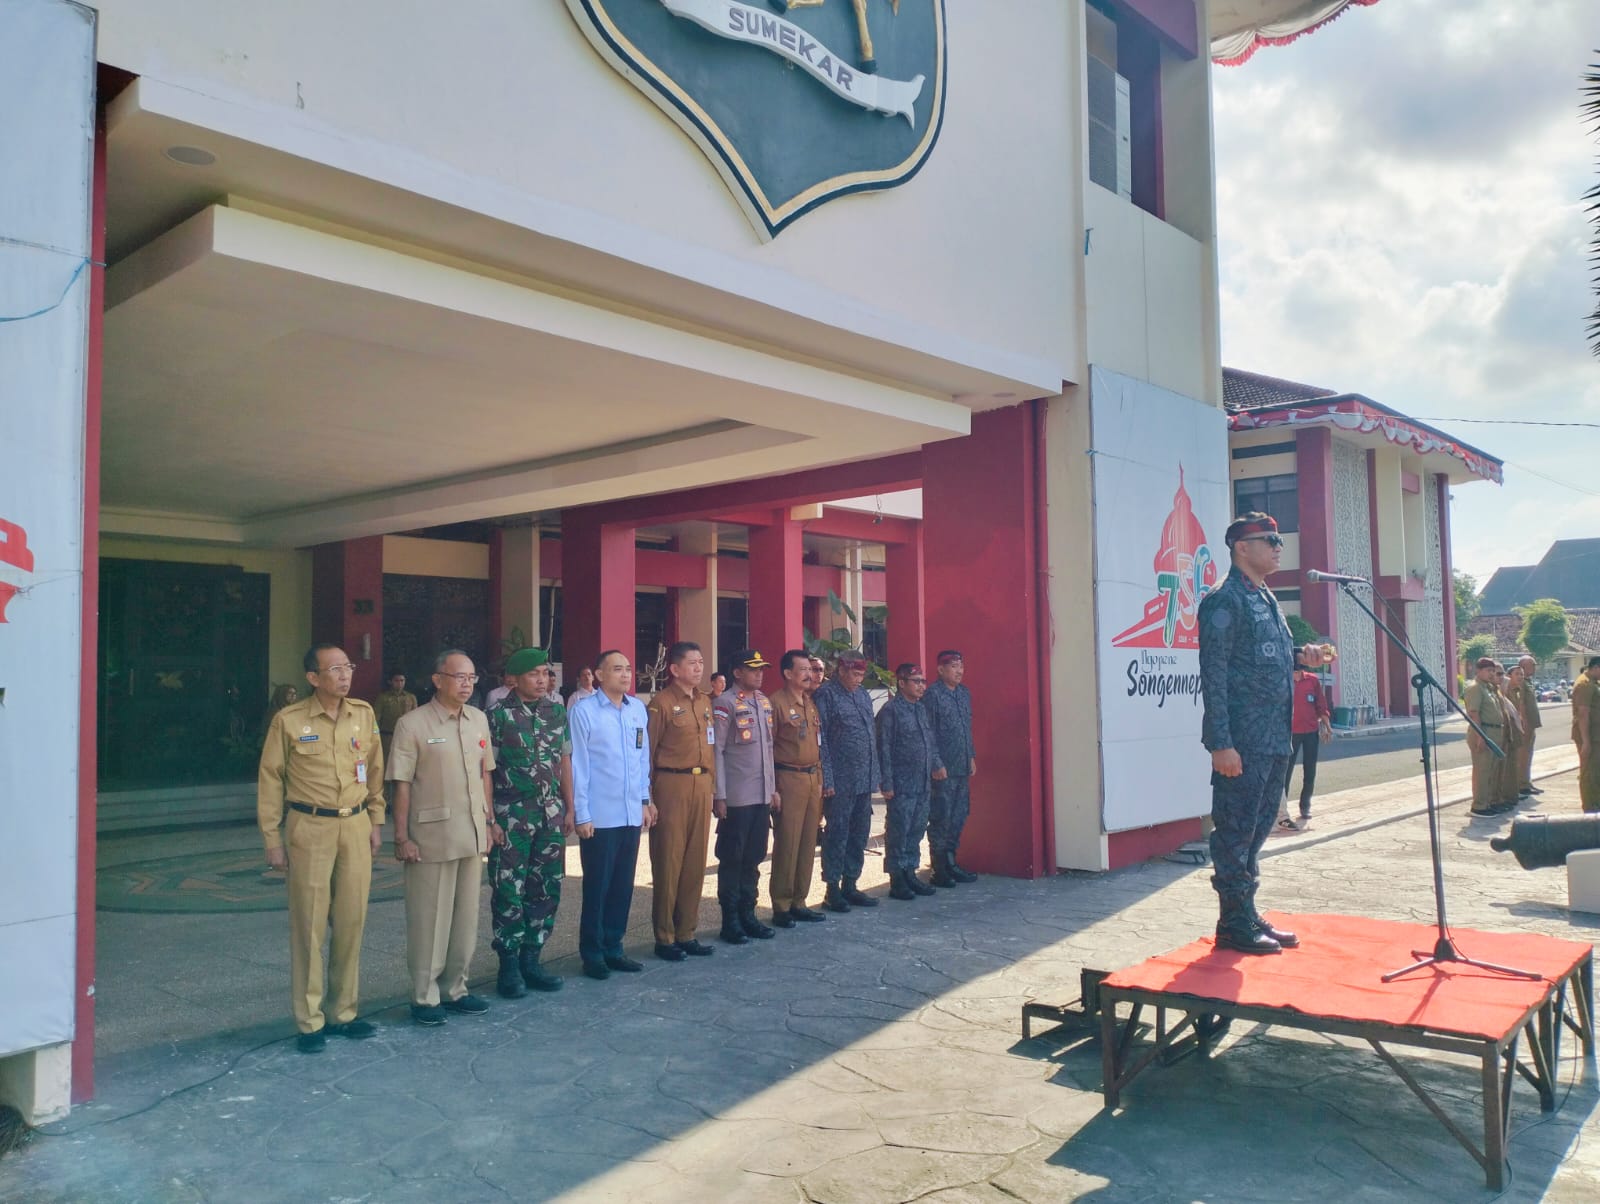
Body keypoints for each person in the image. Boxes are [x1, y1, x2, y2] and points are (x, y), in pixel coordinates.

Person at [1198, 513, 1324, 955]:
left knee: (1256, 831)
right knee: (1234, 831)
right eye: (1269, 540)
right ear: (1241, 547)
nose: (1278, 547)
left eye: (1278, 540)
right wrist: (1221, 743)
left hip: (1274, 738)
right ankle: (1232, 923)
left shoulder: (1265, 596)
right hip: (1242, 741)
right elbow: (1214, 673)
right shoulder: (1224, 599)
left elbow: (1260, 655)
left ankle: (1246, 912)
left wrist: (1301, 655)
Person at [257, 644, 385, 1053]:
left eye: (348, 667)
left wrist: (376, 820)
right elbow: (270, 779)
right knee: (309, 927)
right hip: (309, 827)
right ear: (313, 678)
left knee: (351, 922)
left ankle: (343, 1012)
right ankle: (310, 1021)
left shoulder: (363, 714)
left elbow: (375, 770)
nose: (345, 675)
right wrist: (272, 839)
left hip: (355, 825)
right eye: (335, 669)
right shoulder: (289, 720)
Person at [388, 650, 498, 1026]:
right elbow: (401, 784)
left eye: (471, 678)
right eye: (459, 677)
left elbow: (485, 774)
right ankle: (424, 995)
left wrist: (489, 821)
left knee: (465, 919)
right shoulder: (412, 724)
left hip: (471, 831)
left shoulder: (478, 720)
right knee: (429, 918)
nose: (467, 684)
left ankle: (456, 988)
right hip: (431, 836)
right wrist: (401, 836)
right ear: (437, 680)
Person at [486, 647, 574, 998]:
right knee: (509, 889)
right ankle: (508, 966)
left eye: (545, 673)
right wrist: (490, 819)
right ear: (515, 679)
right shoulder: (497, 716)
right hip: (512, 816)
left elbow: (564, 762)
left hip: (550, 815)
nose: (542, 680)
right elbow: (486, 771)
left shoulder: (556, 712)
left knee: (546, 886)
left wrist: (570, 808)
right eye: (533, 674)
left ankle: (532, 960)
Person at [569, 650, 655, 979]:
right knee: (598, 887)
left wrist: (645, 800)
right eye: (617, 669)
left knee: (622, 886)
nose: (625, 674)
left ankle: (613, 947)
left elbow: (642, 758)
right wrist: (582, 813)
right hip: (600, 816)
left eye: (628, 669)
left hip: (630, 812)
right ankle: (592, 953)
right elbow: (579, 765)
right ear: (599, 675)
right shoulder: (584, 711)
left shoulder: (637, 709)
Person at [645, 641, 717, 962]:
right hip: (671, 783)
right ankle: (665, 936)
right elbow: (648, 752)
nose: (698, 668)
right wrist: (648, 796)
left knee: (694, 861)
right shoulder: (661, 703)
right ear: (674, 669)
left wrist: (712, 787)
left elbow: (710, 746)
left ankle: (687, 931)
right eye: (692, 663)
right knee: (669, 860)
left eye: (701, 662)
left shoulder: (704, 701)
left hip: (701, 783)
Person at [712, 650, 779, 944]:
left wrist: (772, 789)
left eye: (761, 669)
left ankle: (748, 914)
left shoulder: (763, 702)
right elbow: (717, 751)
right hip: (737, 796)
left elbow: (768, 749)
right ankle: (730, 921)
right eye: (753, 669)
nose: (759, 674)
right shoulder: (724, 703)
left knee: (753, 857)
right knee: (732, 858)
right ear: (737, 673)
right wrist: (720, 795)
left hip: (761, 794)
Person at [814, 650, 880, 913]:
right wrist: (827, 778)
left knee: (859, 833)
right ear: (840, 670)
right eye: (854, 673)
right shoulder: (826, 695)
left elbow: (870, 735)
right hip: (840, 780)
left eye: (862, 674)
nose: (858, 679)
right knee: (837, 834)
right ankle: (832, 888)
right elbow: (821, 741)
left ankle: (851, 883)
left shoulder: (862, 695)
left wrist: (876, 774)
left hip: (864, 778)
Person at [768, 649, 826, 928]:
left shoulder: (809, 702)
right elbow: (767, 748)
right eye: (802, 669)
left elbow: (817, 743)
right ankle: (781, 904)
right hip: (789, 778)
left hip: (812, 778)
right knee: (788, 843)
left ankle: (799, 901)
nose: (809, 674)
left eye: (810, 670)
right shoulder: (776, 704)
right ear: (788, 673)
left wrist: (821, 780)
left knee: (807, 842)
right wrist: (772, 787)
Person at [877, 663, 942, 900]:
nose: (921, 686)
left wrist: (936, 764)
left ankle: (910, 871)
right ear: (901, 683)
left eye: (923, 681)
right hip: (901, 783)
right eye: (916, 681)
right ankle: (897, 878)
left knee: (916, 829)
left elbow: (929, 741)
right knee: (899, 831)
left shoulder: (920, 709)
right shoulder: (891, 710)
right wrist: (886, 782)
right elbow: (883, 748)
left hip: (922, 781)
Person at [923, 649, 977, 885]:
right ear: (941, 669)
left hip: (961, 765)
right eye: (954, 667)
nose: (959, 671)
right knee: (941, 818)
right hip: (943, 769)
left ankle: (951, 861)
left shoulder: (964, 693)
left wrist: (971, 756)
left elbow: (966, 728)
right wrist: (936, 762)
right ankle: (939, 868)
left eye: (961, 666)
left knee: (959, 815)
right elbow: (928, 732)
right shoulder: (932, 695)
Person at [1278, 650, 1331, 832]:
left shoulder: (1312, 680)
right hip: (1290, 733)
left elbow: (1321, 705)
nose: (1298, 670)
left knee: (1310, 770)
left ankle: (1305, 805)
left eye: (1301, 666)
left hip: (1310, 731)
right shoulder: (1283, 680)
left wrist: (1326, 725)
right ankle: (1281, 812)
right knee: (1285, 772)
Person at [1463, 657, 1514, 819]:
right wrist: (1480, 737)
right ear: (1478, 671)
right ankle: (1479, 806)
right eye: (1488, 670)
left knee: (1492, 771)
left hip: (1495, 732)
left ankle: (1489, 802)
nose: (1491, 673)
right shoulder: (1475, 688)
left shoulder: (1489, 688)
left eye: (1493, 670)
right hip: (1483, 731)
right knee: (1482, 771)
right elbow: (1474, 713)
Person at [1511, 655, 1544, 797]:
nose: (1534, 668)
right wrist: (1523, 723)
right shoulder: (1521, 683)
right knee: (1523, 755)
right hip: (1526, 725)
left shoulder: (1528, 682)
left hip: (1531, 724)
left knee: (1528, 754)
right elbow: (1521, 703)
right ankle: (1522, 784)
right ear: (1523, 666)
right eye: (1532, 665)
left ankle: (1527, 781)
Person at [1573, 656, 1600, 814]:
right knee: (1589, 772)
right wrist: (1586, 741)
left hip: (1596, 736)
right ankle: (1590, 807)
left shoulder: (1593, 683)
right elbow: (1583, 713)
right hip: (1590, 737)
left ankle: (1596, 802)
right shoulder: (1585, 684)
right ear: (1596, 667)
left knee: (1596, 771)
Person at [1497, 664, 1527, 807]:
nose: (1520, 677)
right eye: (1517, 674)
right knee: (1504, 768)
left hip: (1514, 734)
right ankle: (1503, 797)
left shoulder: (1515, 692)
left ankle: (1512, 794)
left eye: (1522, 674)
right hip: (1505, 735)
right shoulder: (1500, 696)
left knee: (1513, 766)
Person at [374, 672, 417, 767]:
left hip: (406, 736)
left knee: (405, 762)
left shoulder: (411, 697)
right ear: (390, 682)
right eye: (396, 681)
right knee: (387, 761)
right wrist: (375, 735)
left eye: (402, 680)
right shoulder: (383, 698)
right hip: (387, 736)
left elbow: (416, 718)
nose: (400, 683)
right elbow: (376, 718)